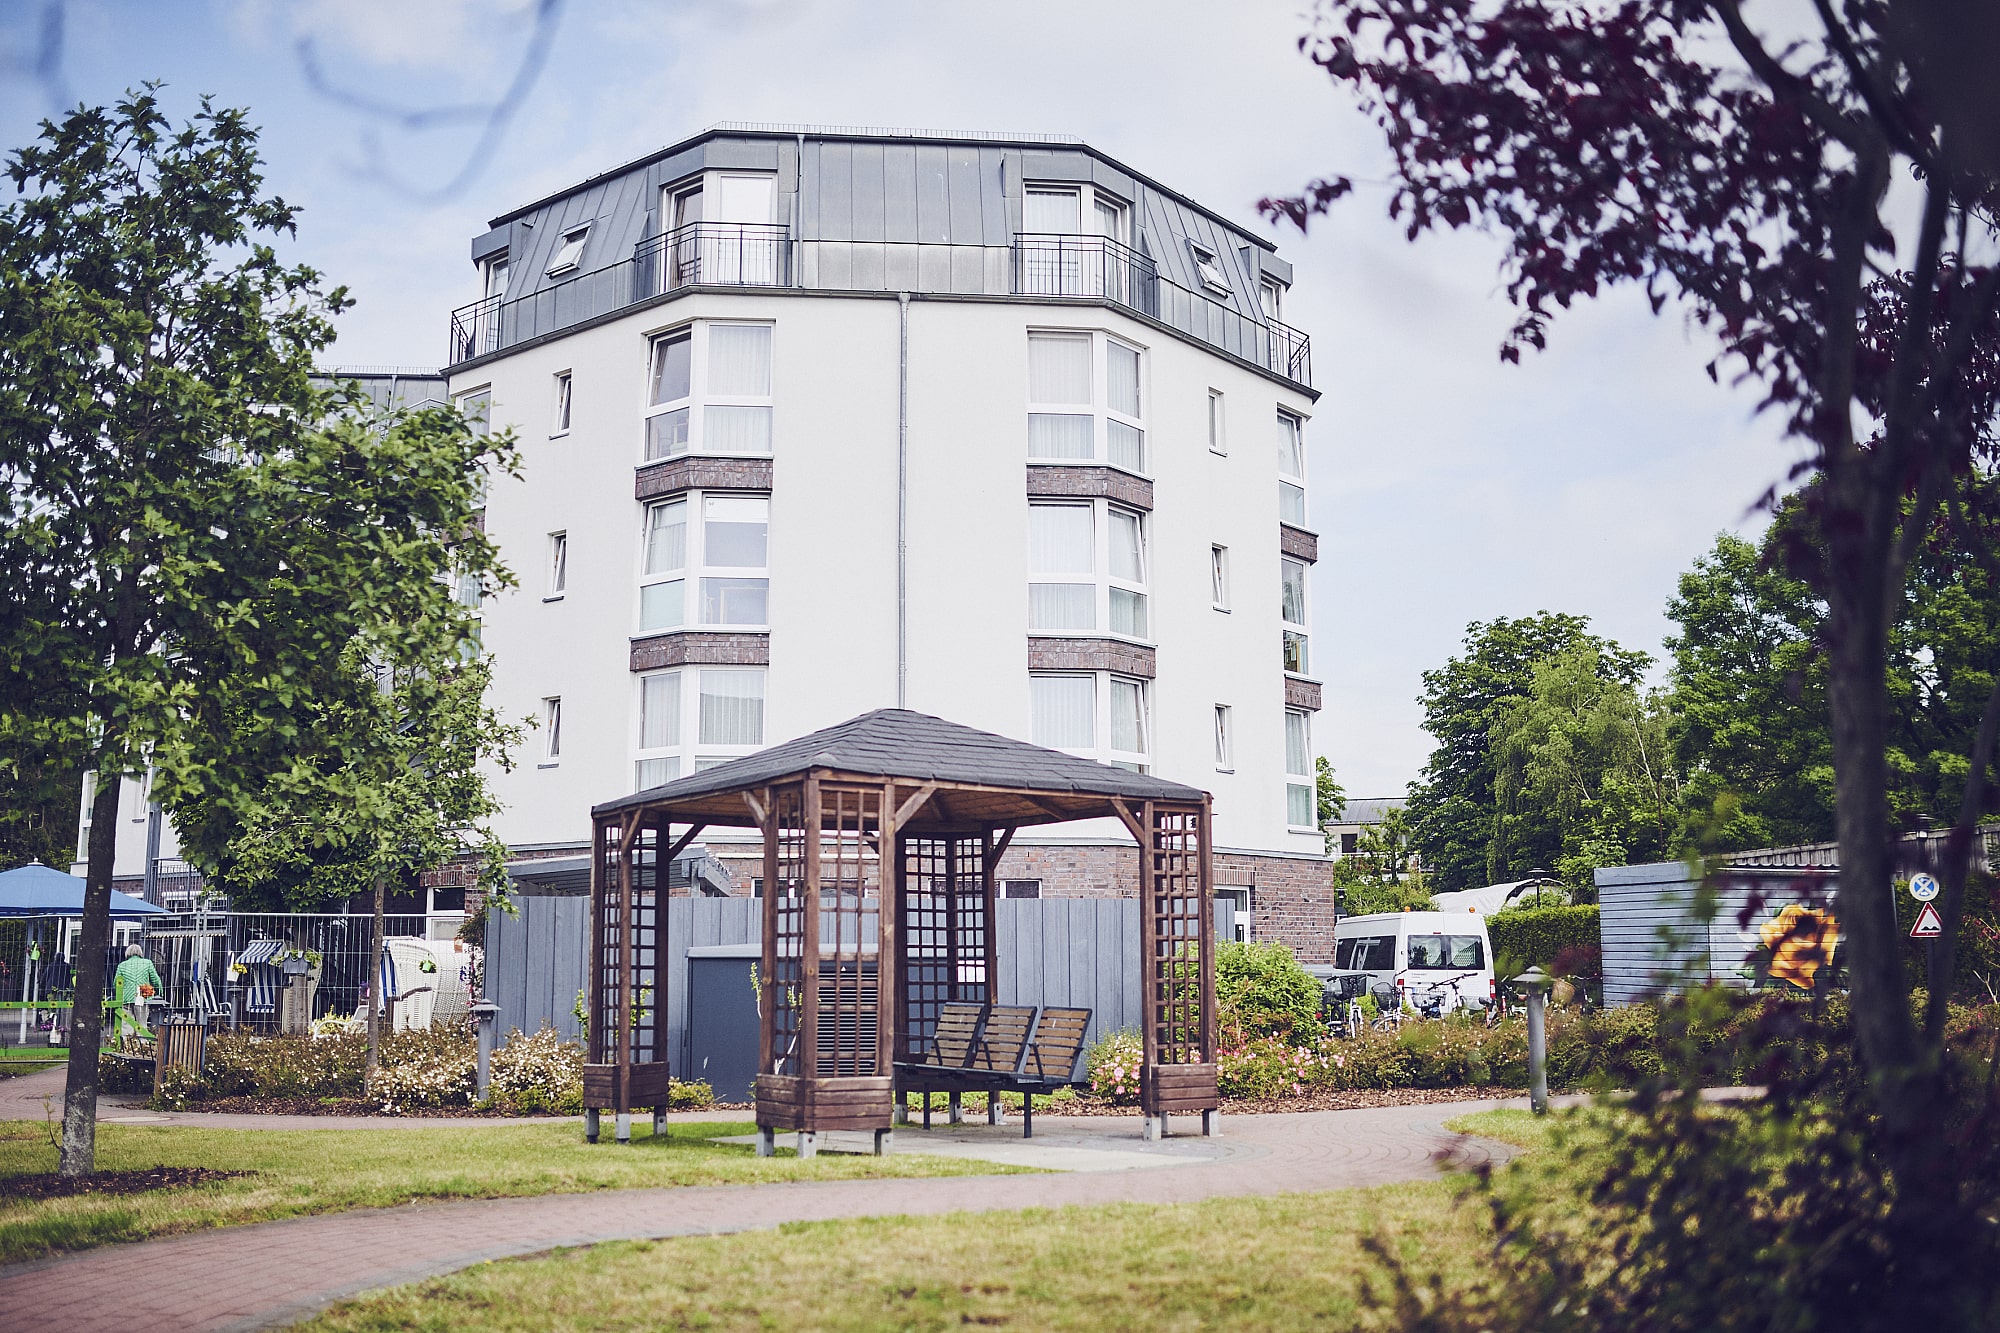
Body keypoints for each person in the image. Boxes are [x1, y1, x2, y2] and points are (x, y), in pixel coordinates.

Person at [112, 944, 164, 1042]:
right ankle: (142, 1046)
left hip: (126, 999)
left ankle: (127, 1046)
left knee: (126, 1024)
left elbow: (116, 983)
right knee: (141, 1024)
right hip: (141, 997)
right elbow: (156, 980)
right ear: (140, 952)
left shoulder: (122, 965)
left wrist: (120, 994)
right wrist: (160, 992)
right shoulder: (147, 963)